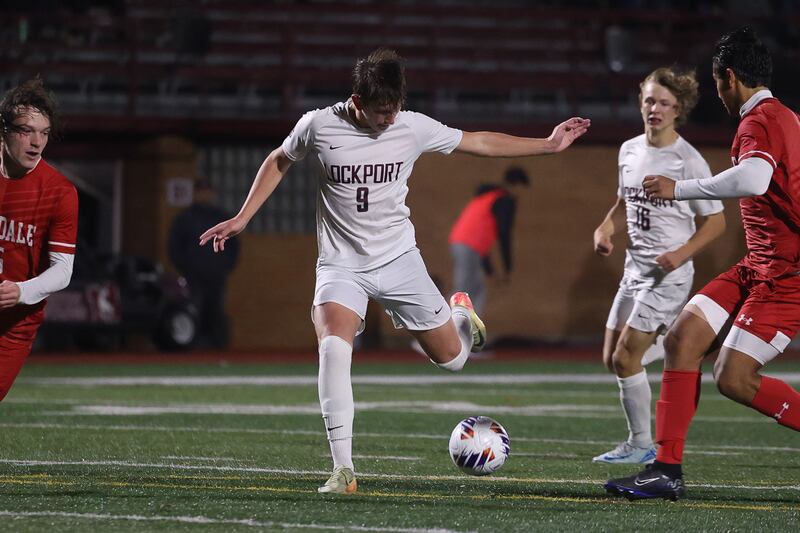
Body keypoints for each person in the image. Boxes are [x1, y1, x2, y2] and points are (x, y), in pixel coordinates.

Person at [199, 48, 590, 494]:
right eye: (380, 112)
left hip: (399, 259)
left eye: (394, 109)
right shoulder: (318, 125)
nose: (388, 119)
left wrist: (547, 144)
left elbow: (478, 142)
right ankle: (343, 469)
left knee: (454, 360)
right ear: (356, 101)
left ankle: (460, 314)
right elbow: (279, 159)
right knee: (334, 349)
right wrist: (243, 216)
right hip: (341, 264)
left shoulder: (411, 126)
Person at [606, 26, 800, 501]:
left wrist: (680, 189)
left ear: (728, 77)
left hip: (786, 275)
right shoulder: (782, 116)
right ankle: (665, 470)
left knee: (734, 378)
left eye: (717, 82)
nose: (718, 92)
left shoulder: (760, 121)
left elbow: (753, 180)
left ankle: (665, 466)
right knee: (683, 338)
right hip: (759, 265)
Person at [591, 68, 726, 465]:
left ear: (678, 109)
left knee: (625, 357)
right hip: (635, 270)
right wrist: (604, 229)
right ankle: (677, 343)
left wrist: (682, 253)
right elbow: (624, 203)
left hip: (669, 274)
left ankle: (641, 444)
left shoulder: (688, 160)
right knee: (612, 359)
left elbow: (716, 221)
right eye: (650, 100)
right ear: (640, 102)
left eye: (665, 103)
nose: (655, 109)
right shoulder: (629, 150)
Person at [0, 78, 78, 401]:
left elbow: (63, 270)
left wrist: (21, 291)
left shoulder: (59, 192)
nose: (36, 142)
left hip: (14, 323)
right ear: (3, 130)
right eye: (26, 131)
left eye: (44, 133)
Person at [169, 179, 239, 349]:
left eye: (207, 191)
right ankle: (194, 348)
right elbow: (174, 247)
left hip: (216, 276)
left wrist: (224, 267)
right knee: (194, 310)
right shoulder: (185, 218)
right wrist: (187, 268)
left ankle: (218, 348)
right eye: (201, 191)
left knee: (216, 312)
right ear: (195, 194)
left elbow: (234, 246)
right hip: (193, 277)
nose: (205, 195)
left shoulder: (221, 217)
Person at [449, 167, 529, 315]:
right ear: (517, 185)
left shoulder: (489, 196)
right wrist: (507, 268)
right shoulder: (505, 200)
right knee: (463, 289)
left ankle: (467, 326)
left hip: (464, 243)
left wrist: (491, 271)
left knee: (478, 290)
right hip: (468, 246)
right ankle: (444, 325)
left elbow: (481, 237)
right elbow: (504, 234)